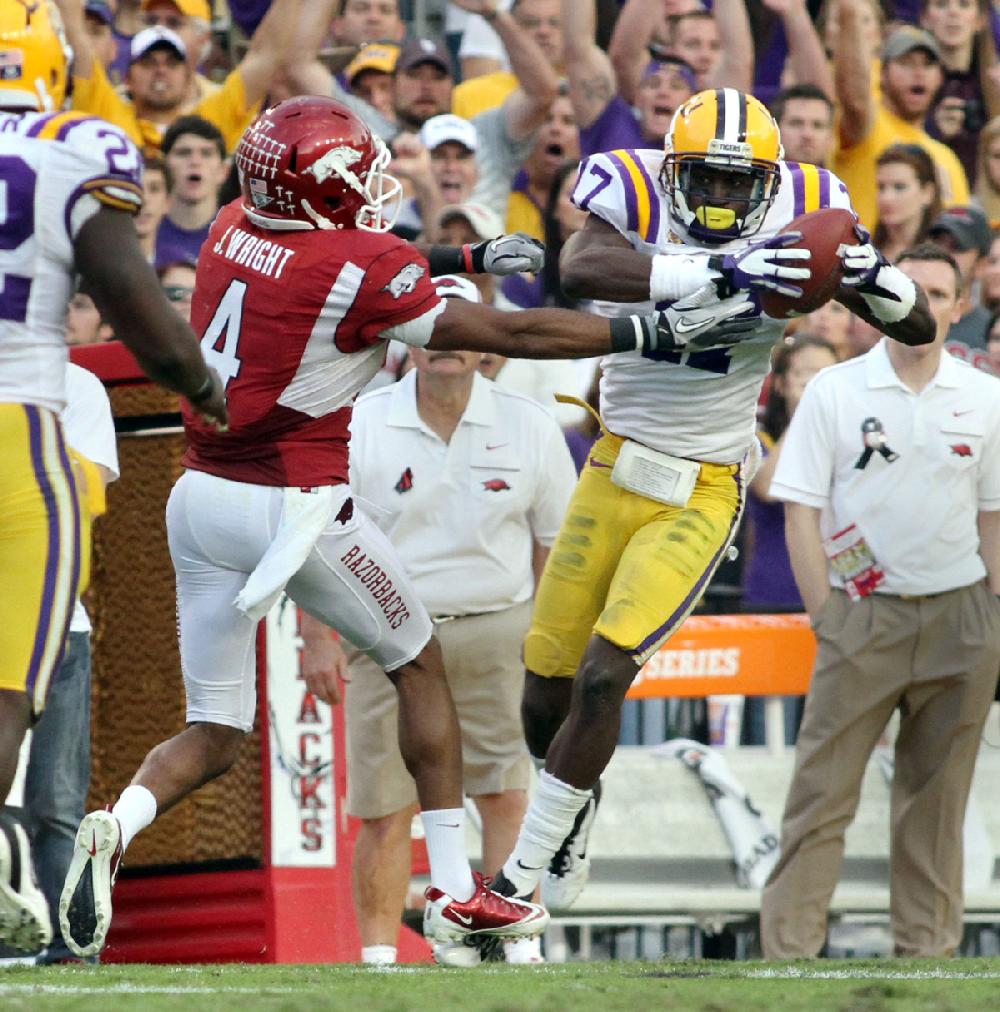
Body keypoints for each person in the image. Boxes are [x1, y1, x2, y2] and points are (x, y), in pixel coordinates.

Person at [56, 94, 710, 962]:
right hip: (293, 504)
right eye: (358, 173)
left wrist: (464, 253)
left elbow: (359, 256)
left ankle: (116, 822)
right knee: (418, 662)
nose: (373, 183)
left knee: (215, 729)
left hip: (199, 497)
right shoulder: (358, 268)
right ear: (325, 189)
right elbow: (505, 329)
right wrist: (647, 328)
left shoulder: (224, 226)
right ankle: (453, 891)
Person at [481, 87, 935, 921]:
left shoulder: (812, 205)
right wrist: (723, 268)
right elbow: (582, 267)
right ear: (672, 170)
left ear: (770, 182)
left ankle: (518, 882)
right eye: (706, 181)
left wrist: (875, 281)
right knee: (543, 694)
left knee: (603, 675)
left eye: (739, 184)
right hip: (615, 465)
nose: (722, 198)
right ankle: (574, 807)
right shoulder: (633, 183)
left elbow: (918, 327)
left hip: (706, 482)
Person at [0, 0, 225, 954]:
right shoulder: (67, 151)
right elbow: (132, 299)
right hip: (18, 428)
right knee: (13, 692)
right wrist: (206, 385)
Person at [760, 243, 1000, 958]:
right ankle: (789, 956)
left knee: (937, 805)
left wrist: (994, 614)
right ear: (880, 301)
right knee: (820, 798)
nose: (922, 303)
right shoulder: (837, 390)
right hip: (860, 615)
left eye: (938, 292)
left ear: (960, 308)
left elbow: (993, 516)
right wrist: (826, 615)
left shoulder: (986, 397)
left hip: (961, 613)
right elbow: (798, 505)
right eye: (909, 290)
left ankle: (927, 957)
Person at [338, 274, 577, 966]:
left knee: (505, 792)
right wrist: (327, 640)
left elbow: (555, 546)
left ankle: (511, 945)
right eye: (426, 326)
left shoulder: (529, 423)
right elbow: (322, 535)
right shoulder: (361, 420)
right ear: (402, 341)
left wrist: (548, 644)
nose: (443, 342)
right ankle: (379, 963)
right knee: (384, 808)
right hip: (385, 629)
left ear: (486, 347)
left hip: (498, 626)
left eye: (459, 327)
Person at [28, 362, 118, 965]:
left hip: (55, 621)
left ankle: (70, 946)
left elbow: (83, 495)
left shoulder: (77, 386)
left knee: (55, 802)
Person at [739, 334, 838, 746]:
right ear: (780, 383)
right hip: (772, 593)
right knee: (770, 727)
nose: (812, 382)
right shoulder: (757, 439)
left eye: (824, 375)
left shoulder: (855, 439)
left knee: (827, 718)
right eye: (803, 374)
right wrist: (807, 413)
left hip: (836, 593)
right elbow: (769, 485)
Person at [58, 0, 300, 152]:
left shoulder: (211, 119)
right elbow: (73, 29)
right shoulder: (104, 109)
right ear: (128, 78)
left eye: (172, 63)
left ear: (188, 77)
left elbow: (267, 52)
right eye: (148, 62)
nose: (160, 70)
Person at [833, 16, 970, 231]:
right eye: (906, 63)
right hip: (860, 261)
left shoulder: (948, 159)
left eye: (928, 64)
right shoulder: (870, 126)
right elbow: (854, 99)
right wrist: (849, 11)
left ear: (940, 77)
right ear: (882, 73)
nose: (919, 73)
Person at [155, 116, 228, 269]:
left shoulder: (237, 238)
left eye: (206, 153)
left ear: (223, 171)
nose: (195, 162)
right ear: (164, 167)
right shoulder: (143, 230)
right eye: (183, 153)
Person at [928, 203, 994, 349]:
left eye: (956, 247)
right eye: (937, 243)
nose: (941, 254)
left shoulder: (993, 333)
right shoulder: (898, 318)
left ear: (981, 266)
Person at [873, 143, 942, 264]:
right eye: (881, 187)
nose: (886, 198)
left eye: (899, 187)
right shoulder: (864, 251)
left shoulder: (942, 256)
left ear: (927, 193)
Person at [770, 85, 836, 168]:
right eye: (796, 123)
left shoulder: (837, 181)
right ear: (775, 130)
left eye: (817, 125)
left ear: (831, 136)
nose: (807, 135)